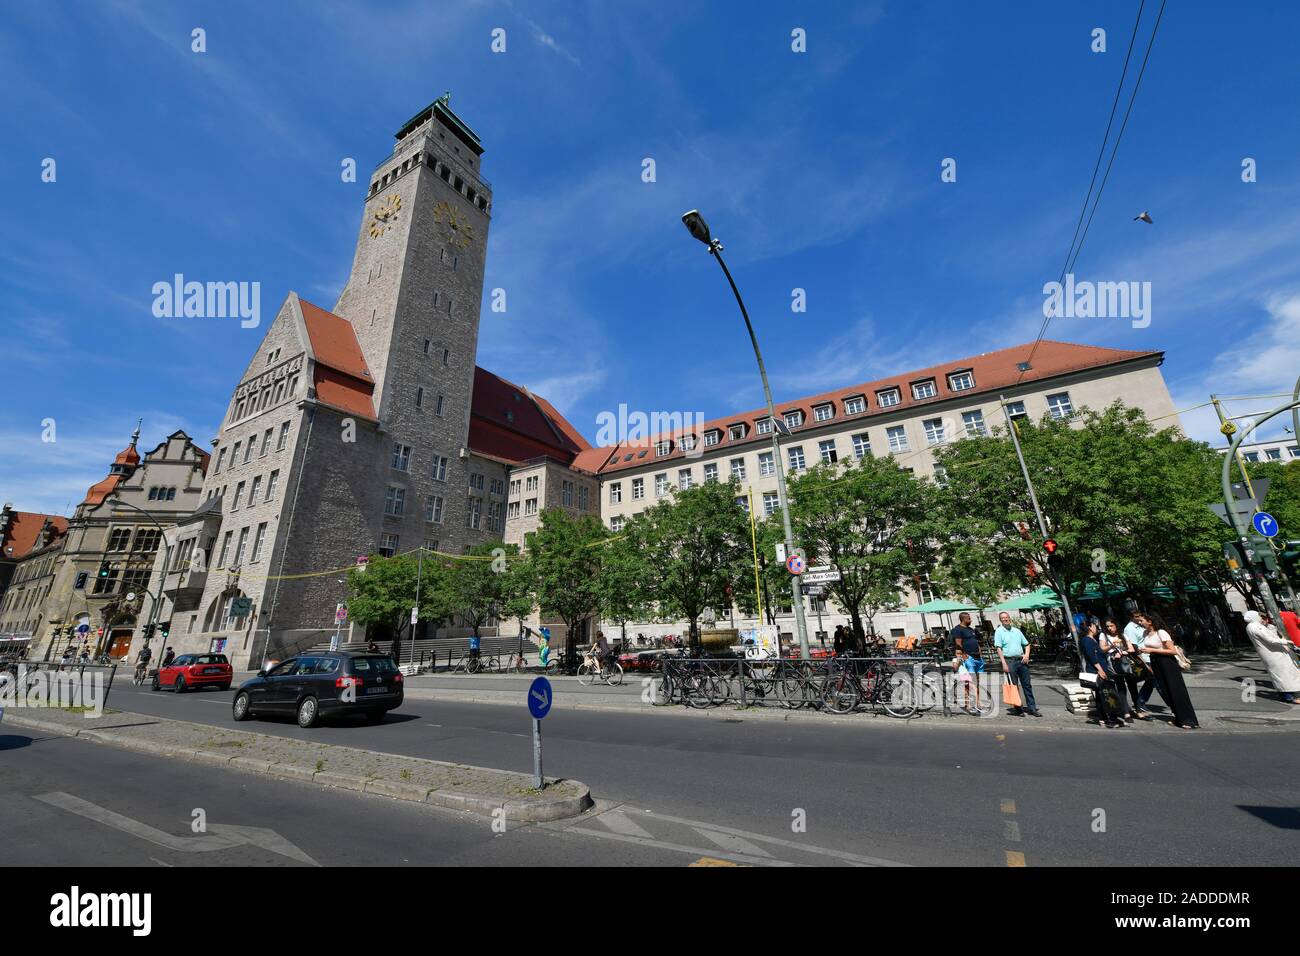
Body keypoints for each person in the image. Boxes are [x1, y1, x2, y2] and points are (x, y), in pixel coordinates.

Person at [1138, 613, 1198, 729]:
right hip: (1155, 661)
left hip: (1167, 662)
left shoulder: (1161, 632)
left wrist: (1151, 650)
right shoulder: (1146, 633)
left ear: (1149, 621)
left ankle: (1188, 719)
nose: (1140, 623)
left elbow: (1172, 651)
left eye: (1142, 621)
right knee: (1166, 690)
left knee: (1176, 690)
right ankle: (1177, 717)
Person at [1243, 610, 1300, 704]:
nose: (1260, 618)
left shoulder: (1251, 627)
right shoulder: (1255, 627)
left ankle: (1287, 696)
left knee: (1281, 676)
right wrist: (1284, 641)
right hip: (1274, 654)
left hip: (1272, 654)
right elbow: (1269, 639)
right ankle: (1289, 697)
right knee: (1284, 675)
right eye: (1259, 616)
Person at [1081, 621, 1127, 727]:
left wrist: (1111, 647)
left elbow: (1099, 653)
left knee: (1101, 695)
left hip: (1102, 669)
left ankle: (1104, 718)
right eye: (1094, 626)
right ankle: (1109, 719)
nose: (1096, 628)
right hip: (1097, 670)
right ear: (1089, 628)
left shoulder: (1092, 640)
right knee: (1105, 694)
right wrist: (1100, 670)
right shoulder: (1087, 640)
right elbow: (1092, 656)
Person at [994, 611, 1041, 717]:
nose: (1005, 619)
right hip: (1009, 661)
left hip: (1021, 660)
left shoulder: (1017, 631)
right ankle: (1018, 708)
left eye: (1007, 617)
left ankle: (1032, 708)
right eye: (1003, 618)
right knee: (1014, 686)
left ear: (1009, 618)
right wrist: (1003, 663)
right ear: (1000, 620)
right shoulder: (999, 632)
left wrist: (1027, 655)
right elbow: (999, 648)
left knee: (1027, 685)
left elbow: (1027, 644)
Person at [1102, 618, 1149, 720]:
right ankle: (1126, 712)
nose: (1109, 628)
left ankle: (1138, 711)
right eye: (1107, 626)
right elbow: (1102, 648)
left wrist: (1123, 652)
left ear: (1116, 625)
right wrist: (1111, 647)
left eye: (1111, 626)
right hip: (1114, 665)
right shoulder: (1104, 635)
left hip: (1127, 663)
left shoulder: (1123, 635)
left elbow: (1131, 648)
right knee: (1121, 688)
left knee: (1133, 687)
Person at [949, 612, 984, 710]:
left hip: (977, 658)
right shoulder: (957, 630)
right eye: (969, 618)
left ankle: (976, 701)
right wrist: (964, 657)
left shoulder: (971, 629)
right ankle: (969, 703)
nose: (970, 620)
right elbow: (958, 644)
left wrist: (980, 655)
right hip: (968, 658)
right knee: (968, 681)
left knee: (977, 681)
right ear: (963, 619)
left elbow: (976, 643)